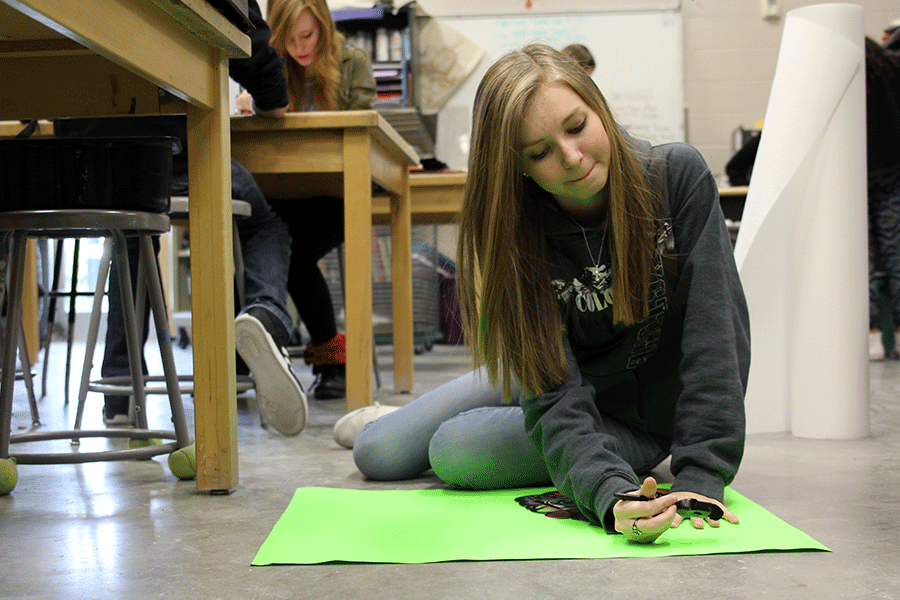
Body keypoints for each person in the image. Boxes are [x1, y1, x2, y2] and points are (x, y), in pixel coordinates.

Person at [349, 44, 749, 544]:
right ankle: (397, 419)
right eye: (539, 153)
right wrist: (599, 480)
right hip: (550, 375)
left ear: (597, 106)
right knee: (376, 452)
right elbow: (556, 391)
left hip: (633, 420)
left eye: (577, 127)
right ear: (518, 167)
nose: (573, 157)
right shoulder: (516, 225)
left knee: (457, 449)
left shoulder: (676, 179)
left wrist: (697, 476)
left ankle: (452, 415)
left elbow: (716, 337)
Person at [53, 0, 309, 436]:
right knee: (266, 225)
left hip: (79, 160)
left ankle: (119, 390)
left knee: (131, 232)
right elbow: (258, 58)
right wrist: (272, 100)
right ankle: (266, 316)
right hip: (169, 153)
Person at [236, 0, 377, 400]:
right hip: (280, 195)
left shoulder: (353, 63)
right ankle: (242, 359)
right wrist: (254, 103)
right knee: (247, 247)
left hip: (334, 196)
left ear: (325, 28)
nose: (300, 47)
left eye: (308, 35)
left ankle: (330, 359)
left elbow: (364, 133)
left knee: (287, 252)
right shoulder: (270, 67)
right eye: (290, 38)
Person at [865, 37, 900, 358]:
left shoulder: (840, 76)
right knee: (895, 257)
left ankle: (873, 332)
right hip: (892, 174)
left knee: (865, 261)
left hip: (855, 179)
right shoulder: (889, 68)